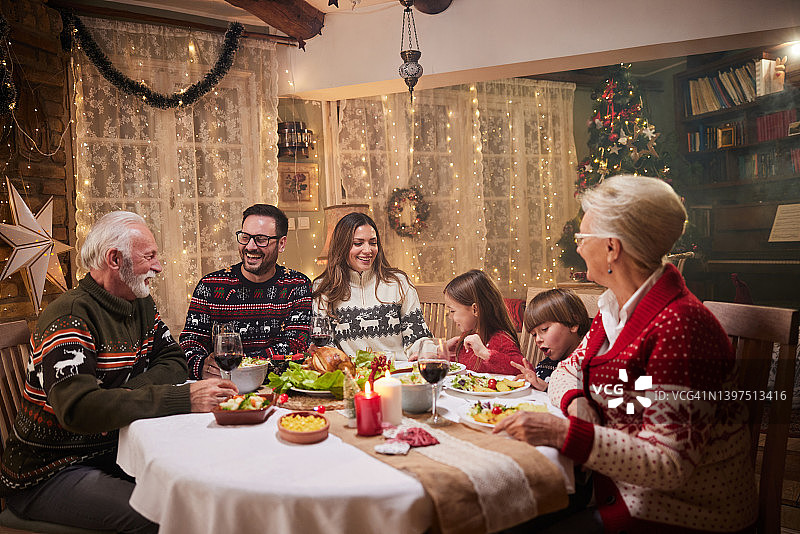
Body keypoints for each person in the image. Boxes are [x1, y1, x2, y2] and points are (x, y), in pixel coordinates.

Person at [495, 175, 756, 533]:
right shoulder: (612, 310)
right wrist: (576, 401)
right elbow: (565, 372)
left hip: (677, 514)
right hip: (613, 489)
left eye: (583, 238)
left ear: (612, 248)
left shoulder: (681, 327)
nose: (578, 248)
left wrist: (563, 433)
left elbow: (667, 464)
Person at [0, 211, 237, 533]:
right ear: (115, 259)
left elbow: (173, 360)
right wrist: (182, 398)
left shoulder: (140, 303)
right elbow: (79, 410)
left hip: (116, 450)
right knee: (172, 515)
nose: (158, 267)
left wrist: (118, 396)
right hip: (49, 472)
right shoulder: (70, 315)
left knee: (208, 482)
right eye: (149, 257)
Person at [180, 204, 312, 379]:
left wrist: (240, 365)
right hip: (222, 387)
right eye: (245, 237)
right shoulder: (210, 286)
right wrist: (200, 366)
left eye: (261, 239)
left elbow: (296, 346)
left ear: (281, 244)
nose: (250, 247)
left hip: (277, 387)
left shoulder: (297, 285)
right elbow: (189, 344)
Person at [312, 212, 431, 360]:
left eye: (373, 243)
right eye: (358, 243)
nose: (368, 250)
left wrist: (429, 349)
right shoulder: (324, 288)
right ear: (341, 246)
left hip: (398, 369)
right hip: (350, 372)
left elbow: (418, 336)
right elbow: (326, 347)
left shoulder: (399, 282)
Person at [441, 269, 523, 375]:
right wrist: (441, 353)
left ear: (475, 309)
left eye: (452, 311)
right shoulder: (467, 337)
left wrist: (485, 353)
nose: (450, 316)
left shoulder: (501, 339)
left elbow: (524, 369)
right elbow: (460, 367)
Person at [511, 288, 591, 391]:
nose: (537, 340)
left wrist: (546, 388)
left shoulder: (590, 366)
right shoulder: (544, 367)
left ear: (573, 324)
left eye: (544, 329)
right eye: (534, 334)